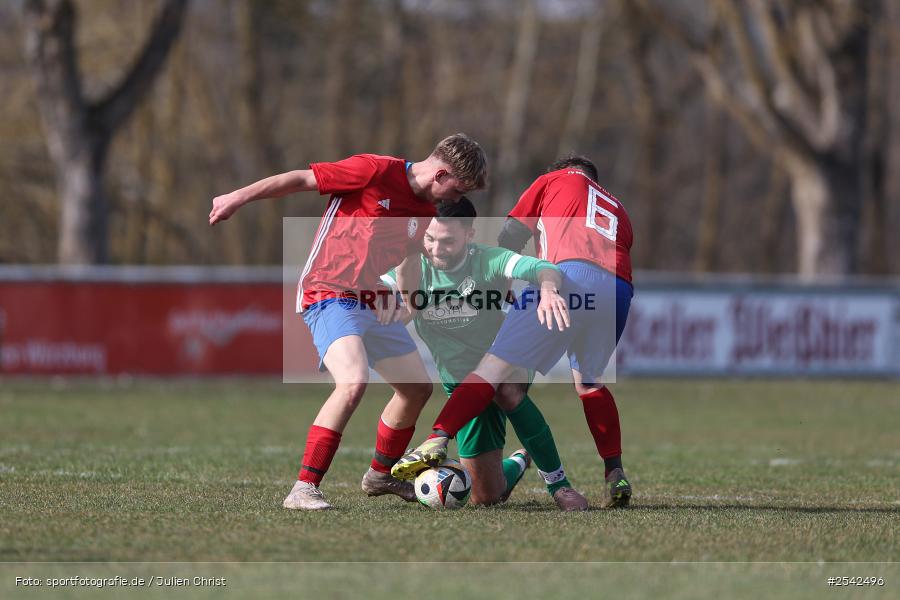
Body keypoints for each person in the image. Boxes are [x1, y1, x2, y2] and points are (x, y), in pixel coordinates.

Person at [209, 134, 487, 510]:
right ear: (440, 174)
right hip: (327, 291)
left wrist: (407, 300)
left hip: (372, 298)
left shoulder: (425, 210)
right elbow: (300, 179)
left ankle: (379, 476)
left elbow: (407, 257)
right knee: (353, 381)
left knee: (416, 389)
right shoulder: (374, 170)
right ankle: (303, 488)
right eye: (459, 188)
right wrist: (236, 197)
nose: (458, 199)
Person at [392, 155, 635, 508]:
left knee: (496, 375)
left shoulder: (554, 179)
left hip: (567, 278)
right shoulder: (619, 209)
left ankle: (436, 439)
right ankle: (615, 470)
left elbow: (512, 232)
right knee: (590, 383)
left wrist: (503, 283)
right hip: (617, 290)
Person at [383, 198, 588, 510]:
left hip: (507, 363)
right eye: (429, 239)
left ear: (469, 235)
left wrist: (548, 290)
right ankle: (519, 460)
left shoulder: (488, 260)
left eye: (448, 241)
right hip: (460, 385)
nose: (437, 249)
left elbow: (543, 268)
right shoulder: (412, 269)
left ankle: (559, 486)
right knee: (485, 496)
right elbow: (388, 301)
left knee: (505, 389)